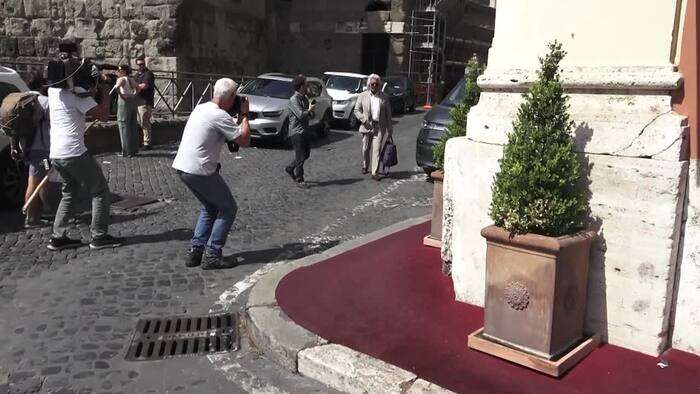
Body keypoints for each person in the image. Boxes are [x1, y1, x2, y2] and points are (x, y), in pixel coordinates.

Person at [172, 78, 251, 269]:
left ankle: (195, 251)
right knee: (228, 208)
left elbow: (229, 133)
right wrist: (245, 114)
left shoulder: (201, 108)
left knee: (210, 207)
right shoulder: (220, 116)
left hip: (183, 167)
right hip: (199, 170)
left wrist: (237, 119)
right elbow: (244, 140)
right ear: (232, 97)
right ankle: (213, 254)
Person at [46, 65, 123, 250]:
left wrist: (92, 89)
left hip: (56, 153)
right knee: (100, 191)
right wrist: (104, 90)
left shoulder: (52, 92)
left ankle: (58, 237)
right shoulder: (77, 95)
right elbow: (103, 116)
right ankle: (99, 236)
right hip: (74, 153)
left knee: (69, 191)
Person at [13, 72, 53, 228]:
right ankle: (30, 218)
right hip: (42, 149)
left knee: (43, 178)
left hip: (27, 147)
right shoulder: (45, 101)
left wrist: (14, 146)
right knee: (35, 180)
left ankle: (43, 211)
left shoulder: (21, 99)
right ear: (42, 85)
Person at [353, 73, 393, 181]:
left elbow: (388, 115)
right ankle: (365, 165)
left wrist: (390, 129)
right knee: (365, 148)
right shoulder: (363, 95)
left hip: (379, 127)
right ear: (369, 84)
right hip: (367, 126)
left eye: (376, 84)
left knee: (376, 149)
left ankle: (375, 172)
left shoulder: (384, 97)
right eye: (372, 84)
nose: (374, 86)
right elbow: (356, 110)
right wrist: (364, 120)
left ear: (379, 85)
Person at [284, 74, 315, 187]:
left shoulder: (305, 99)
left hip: (305, 131)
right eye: (306, 85)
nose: (307, 87)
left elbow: (309, 116)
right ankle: (300, 178)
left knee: (306, 154)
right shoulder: (293, 100)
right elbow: (301, 115)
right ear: (301, 87)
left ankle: (290, 168)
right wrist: (309, 110)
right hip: (296, 132)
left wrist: (311, 110)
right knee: (300, 156)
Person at [109, 65, 139, 157]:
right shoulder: (131, 79)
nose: (117, 72)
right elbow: (138, 88)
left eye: (119, 70)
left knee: (123, 125)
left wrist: (122, 95)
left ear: (123, 71)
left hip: (124, 102)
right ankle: (134, 150)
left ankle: (126, 151)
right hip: (132, 101)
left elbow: (117, 88)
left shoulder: (121, 79)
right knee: (132, 125)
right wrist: (134, 95)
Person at [134, 57, 155, 150]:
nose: (141, 66)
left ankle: (147, 143)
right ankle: (142, 141)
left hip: (145, 101)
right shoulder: (136, 75)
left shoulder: (148, 74)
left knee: (144, 121)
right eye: (139, 64)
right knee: (140, 122)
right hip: (137, 101)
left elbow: (144, 86)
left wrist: (134, 86)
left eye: (142, 64)